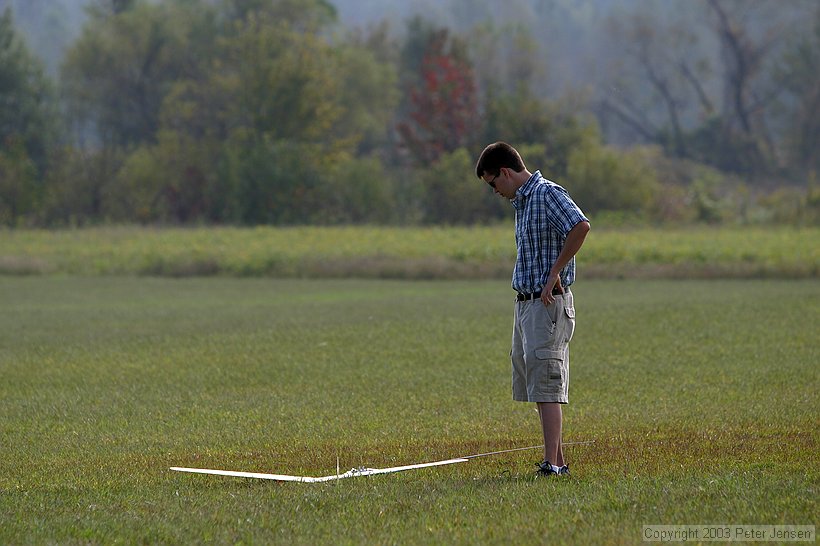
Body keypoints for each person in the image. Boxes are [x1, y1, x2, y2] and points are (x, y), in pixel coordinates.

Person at [475, 142, 590, 477]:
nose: (494, 190)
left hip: (548, 303)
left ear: (505, 173)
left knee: (548, 384)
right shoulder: (522, 204)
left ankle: (553, 465)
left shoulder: (545, 193)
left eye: (492, 183)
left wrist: (555, 272)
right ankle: (558, 459)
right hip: (525, 305)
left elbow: (580, 226)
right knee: (537, 385)